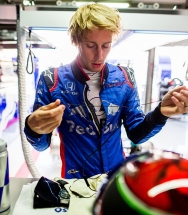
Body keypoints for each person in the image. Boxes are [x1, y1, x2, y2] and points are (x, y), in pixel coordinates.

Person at [24, 3, 188, 179]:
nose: (99, 56)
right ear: (76, 41)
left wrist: (160, 113)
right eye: (90, 45)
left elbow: (136, 134)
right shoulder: (52, 80)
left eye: (106, 46)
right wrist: (33, 128)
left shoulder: (125, 77)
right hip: (75, 182)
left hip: (115, 179)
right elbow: (41, 146)